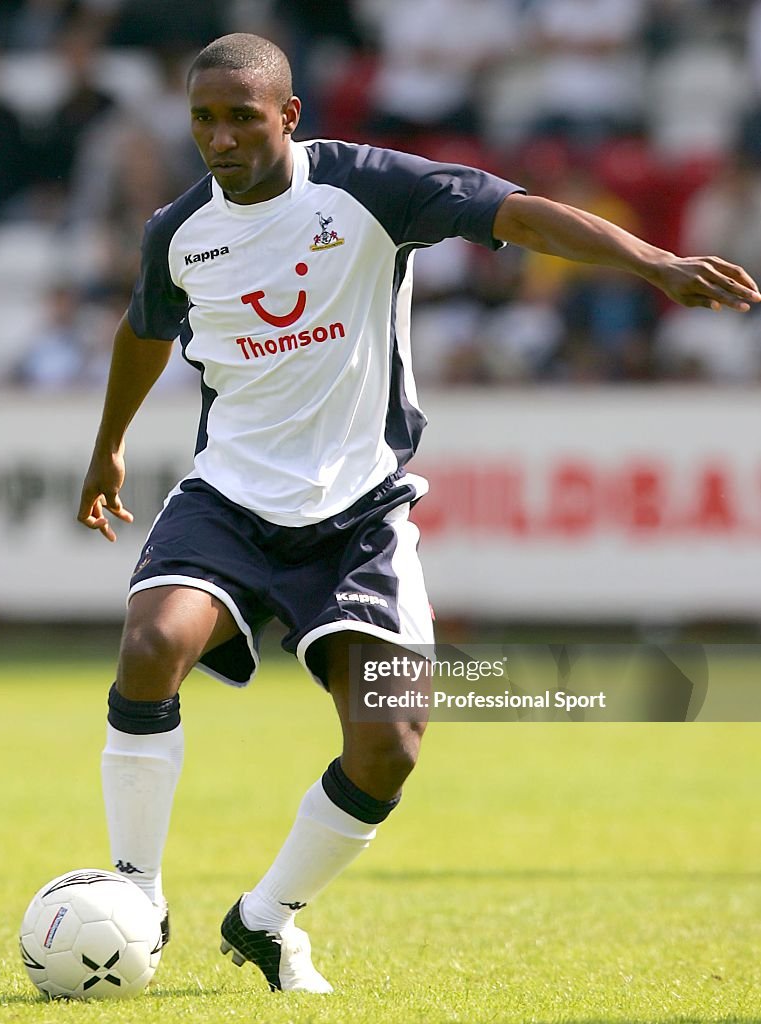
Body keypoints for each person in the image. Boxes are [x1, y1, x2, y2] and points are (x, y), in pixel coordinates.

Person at [77, 33, 760, 994]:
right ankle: (135, 893)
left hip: (359, 513)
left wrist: (652, 262)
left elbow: (518, 217)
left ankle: (266, 919)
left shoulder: (369, 187)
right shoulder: (179, 231)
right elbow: (144, 331)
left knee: (389, 746)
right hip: (228, 497)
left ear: (287, 115)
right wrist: (108, 444)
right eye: (203, 118)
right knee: (151, 644)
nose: (220, 136)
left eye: (240, 115)